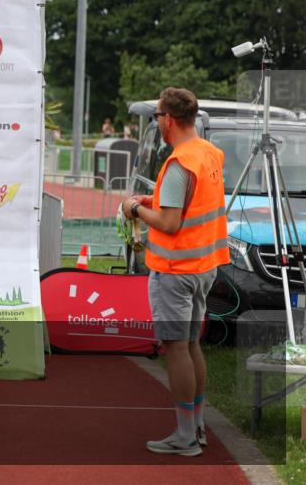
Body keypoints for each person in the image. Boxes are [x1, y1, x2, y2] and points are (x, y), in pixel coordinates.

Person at [122, 87, 228, 457]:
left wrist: (135, 210)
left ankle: (185, 437)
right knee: (192, 344)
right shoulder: (209, 153)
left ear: (168, 119)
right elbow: (190, 202)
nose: (158, 122)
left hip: (175, 269)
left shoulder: (178, 163)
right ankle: (196, 427)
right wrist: (154, 200)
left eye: (157, 117)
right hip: (203, 266)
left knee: (177, 348)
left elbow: (169, 223)